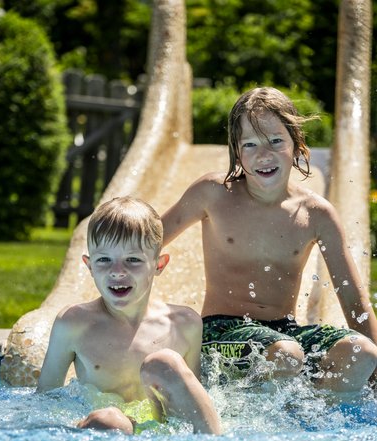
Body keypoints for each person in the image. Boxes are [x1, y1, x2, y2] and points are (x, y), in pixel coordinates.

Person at [161, 86, 377, 392]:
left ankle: (315, 420)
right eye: (250, 145)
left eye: (276, 141)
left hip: (285, 335)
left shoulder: (316, 214)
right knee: (287, 356)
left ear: (297, 146)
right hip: (220, 333)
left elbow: (355, 301)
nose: (263, 155)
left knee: (362, 354)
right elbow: (148, 241)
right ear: (237, 152)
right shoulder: (214, 194)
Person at [37, 196, 221, 434]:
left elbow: (195, 400)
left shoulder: (184, 325)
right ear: (89, 266)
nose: (117, 272)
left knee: (165, 363)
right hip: (110, 436)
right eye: (104, 260)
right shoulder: (74, 324)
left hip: (166, 434)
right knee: (110, 420)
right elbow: (44, 403)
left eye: (132, 260)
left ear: (159, 265)